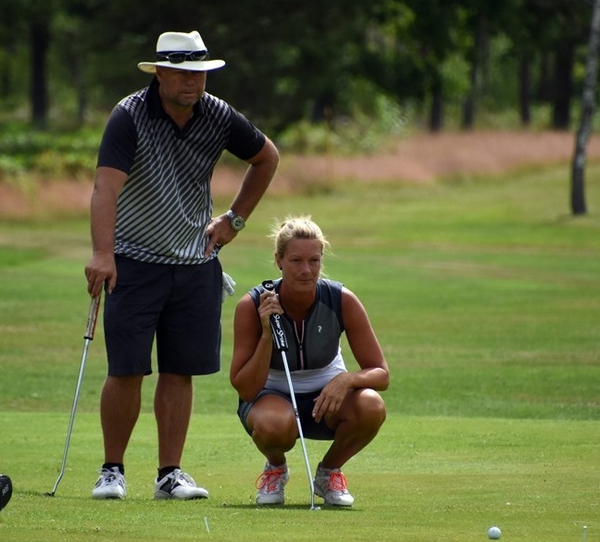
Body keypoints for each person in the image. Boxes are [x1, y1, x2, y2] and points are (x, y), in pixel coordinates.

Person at [84, 30, 279, 501]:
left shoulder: (217, 114)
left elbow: (266, 157)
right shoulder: (129, 115)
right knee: (126, 369)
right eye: (183, 73)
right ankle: (112, 471)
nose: (193, 83)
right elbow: (105, 189)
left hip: (195, 263)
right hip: (134, 261)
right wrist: (103, 254)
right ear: (161, 74)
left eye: (199, 73)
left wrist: (235, 219)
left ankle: (169, 474)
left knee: (179, 370)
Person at [230, 216, 389, 507]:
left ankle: (329, 473)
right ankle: (275, 468)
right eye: (296, 261)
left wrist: (347, 379)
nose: (306, 270)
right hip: (270, 397)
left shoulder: (341, 300)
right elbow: (245, 389)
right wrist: (267, 334)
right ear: (278, 260)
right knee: (274, 423)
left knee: (371, 405)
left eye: (314, 260)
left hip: (327, 401)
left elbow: (381, 373)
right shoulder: (251, 305)